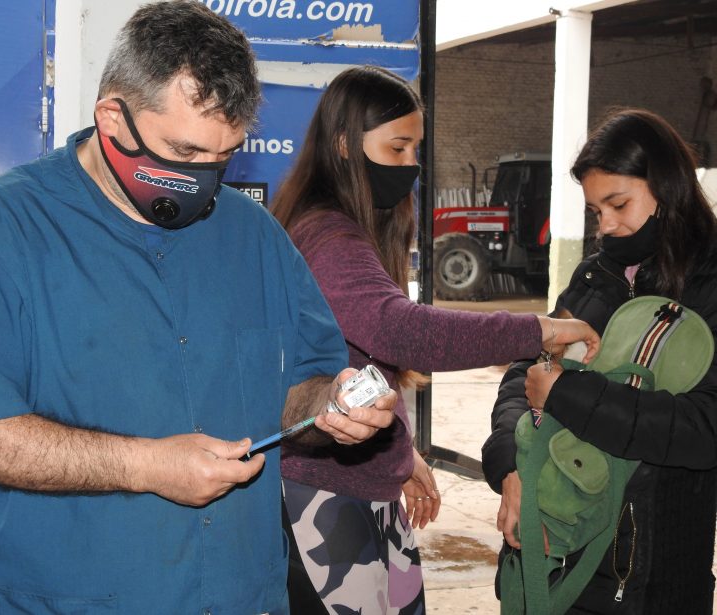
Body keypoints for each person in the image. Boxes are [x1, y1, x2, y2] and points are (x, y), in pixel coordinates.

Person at [0, 3, 399, 614]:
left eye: (222, 159)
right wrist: (142, 465)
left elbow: (299, 387)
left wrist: (329, 408)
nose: (203, 181)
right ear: (113, 118)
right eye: (182, 155)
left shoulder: (256, 237)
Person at [271, 65, 600, 615]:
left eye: (414, 150)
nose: (410, 166)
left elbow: (362, 359)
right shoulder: (328, 234)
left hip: (356, 486)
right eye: (397, 148)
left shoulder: (352, 226)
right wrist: (537, 328)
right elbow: (402, 331)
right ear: (345, 145)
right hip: (324, 497)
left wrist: (401, 449)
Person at [482, 108, 717, 614]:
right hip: (554, 557)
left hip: (651, 573)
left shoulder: (709, 285)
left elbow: (704, 426)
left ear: (669, 186)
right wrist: (510, 465)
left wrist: (570, 394)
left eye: (619, 204)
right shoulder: (595, 277)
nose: (607, 226)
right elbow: (526, 372)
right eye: (595, 211)